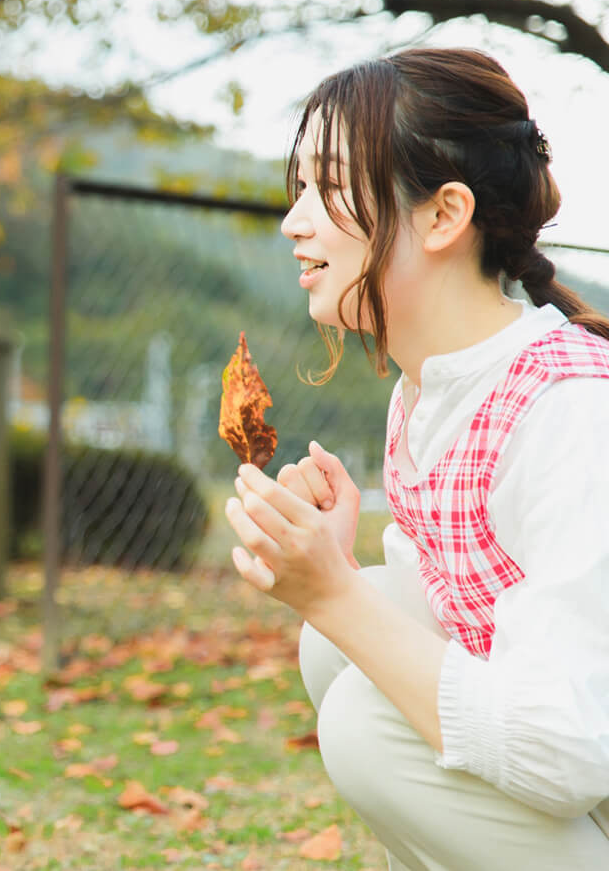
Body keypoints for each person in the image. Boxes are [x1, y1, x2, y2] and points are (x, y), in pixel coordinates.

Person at [224, 47, 609, 869]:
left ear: (443, 216)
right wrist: (334, 572)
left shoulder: (570, 410)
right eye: (299, 189)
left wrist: (330, 595)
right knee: (353, 628)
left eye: (328, 186)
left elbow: (570, 751)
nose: (296, 222)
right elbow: (449, 615)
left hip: (589, 772)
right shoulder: (429, 393)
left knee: (364, 714)